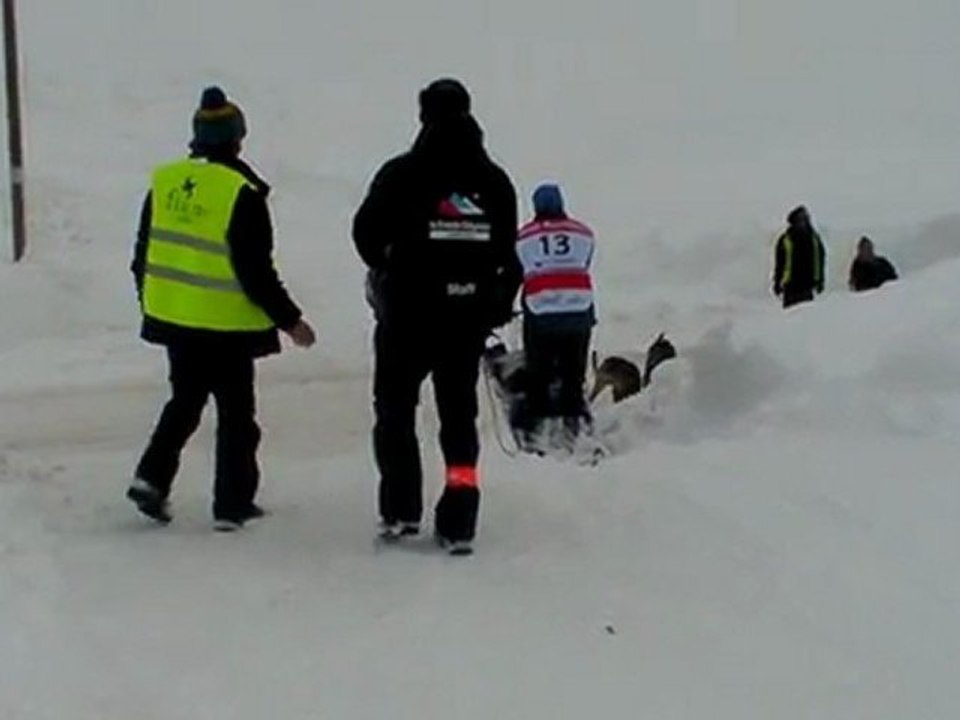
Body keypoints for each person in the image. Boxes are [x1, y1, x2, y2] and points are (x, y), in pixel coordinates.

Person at [128, 86, 316, 531]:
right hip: (225, 326)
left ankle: (151, 478)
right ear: (238, 137)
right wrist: (290, 321)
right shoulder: (241, 192)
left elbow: (142, 255)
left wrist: (152, 302)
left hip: (175, 318)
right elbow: (254, 269)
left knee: (185, 402)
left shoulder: (166, 183)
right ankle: (232, 503)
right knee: (237, 416)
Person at [353, 78, 521, 554]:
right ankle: (459, 518)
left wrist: (391, 263)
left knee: (394, 414)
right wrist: (491, 303)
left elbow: (365, 235)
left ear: (423, 116)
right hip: (464, 322)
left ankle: (401, 509)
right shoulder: (494, 182)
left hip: (404, 316)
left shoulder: (400, 174)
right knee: (459, 420)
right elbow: (508, 255)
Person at [514, 184, 596, 447]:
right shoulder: (584, 233)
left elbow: (521, 271)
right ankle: (576, 421)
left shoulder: (524, 237)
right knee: (574, 373)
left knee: (539, 372)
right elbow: (583, 264)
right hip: (579, 311)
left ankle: (534, 425)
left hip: (542, 312)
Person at [773, 205, 826, 308]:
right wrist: (777, 282)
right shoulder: (785, 239)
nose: (802, 223)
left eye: (805, 219)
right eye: (800, 219)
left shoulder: (814, 239)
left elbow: (820, 260)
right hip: (790, 286)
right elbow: (780, 263)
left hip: (808, 285)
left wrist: (820, 280)